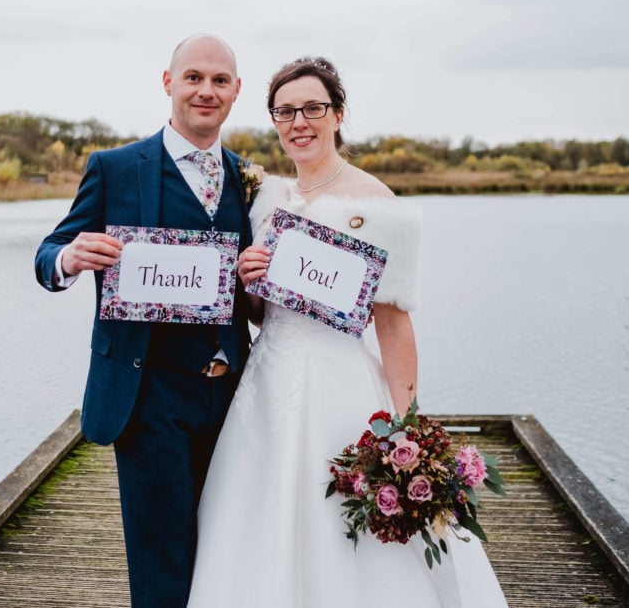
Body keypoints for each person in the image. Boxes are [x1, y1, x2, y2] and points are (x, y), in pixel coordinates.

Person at [186, 57, 508, 607]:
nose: (298, 122)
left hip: (341, 383)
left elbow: (393, 323)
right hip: (267, 384)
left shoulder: (377, 203)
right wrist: (251, 283)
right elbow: (265, 314)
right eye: (284, 111)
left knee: (342, 527)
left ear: (337, 114)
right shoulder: (269, 199)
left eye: (312, 108)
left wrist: (404, 428)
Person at [34, 34, 254, 608]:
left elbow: (257, 288)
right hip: (148, 393)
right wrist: (69, 258)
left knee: (229, 547)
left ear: (235, 92)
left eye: (220, 80)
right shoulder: (113, 169)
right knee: (160, 557)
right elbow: (49, 250)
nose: (206, 91)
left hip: (235, 395)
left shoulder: (251, 179)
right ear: (169, 82)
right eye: (194, 77)